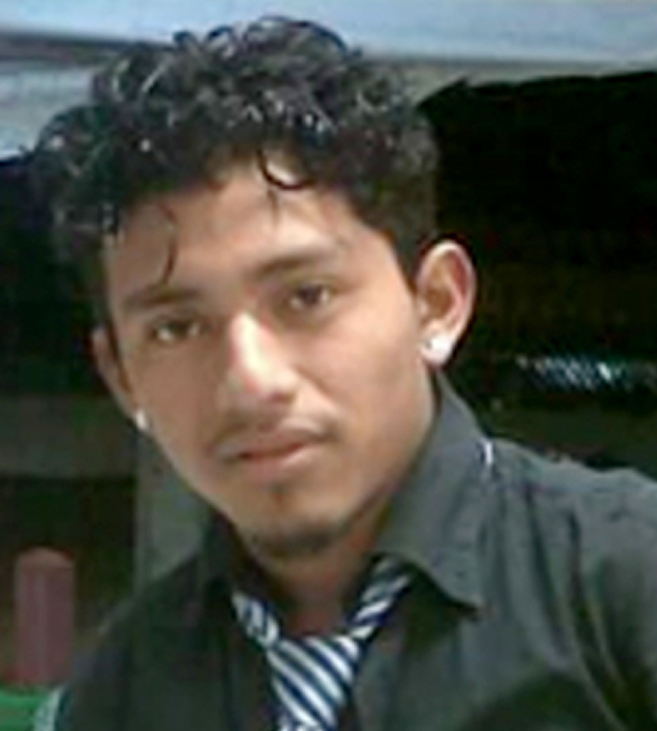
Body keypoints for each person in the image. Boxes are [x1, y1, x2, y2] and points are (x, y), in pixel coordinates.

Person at [31, 16, 657, 731]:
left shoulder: (623, 586)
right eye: (177, 327)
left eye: (307, 296)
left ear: (435, 303)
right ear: (121, 376)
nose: (251, 380)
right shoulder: (124, 688)